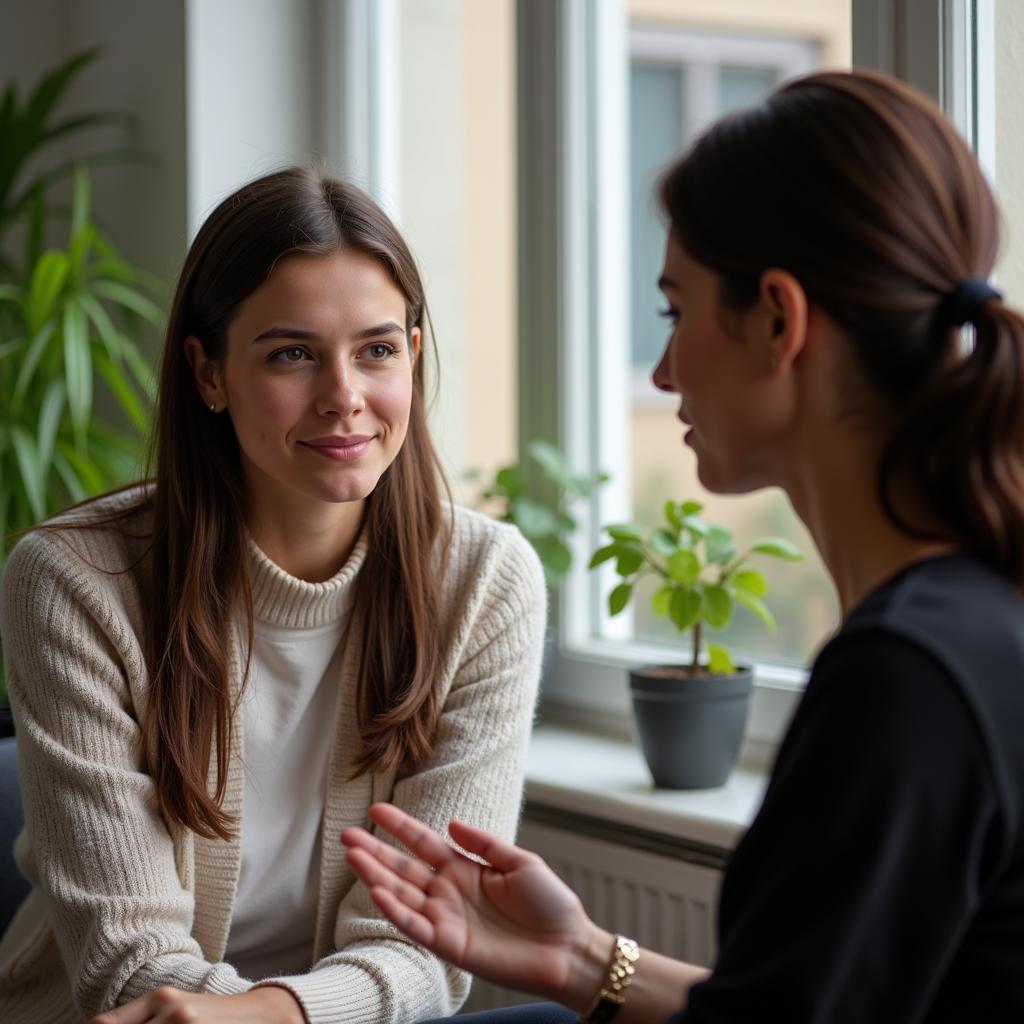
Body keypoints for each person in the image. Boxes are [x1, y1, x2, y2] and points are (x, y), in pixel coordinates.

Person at [341, 69, 1024, 1023]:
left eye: (677, 311)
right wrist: (582, 959)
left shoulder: (906, 677)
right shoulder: (972, 621)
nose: (663, 370)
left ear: (780, 321)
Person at [0, 168, 547, 1024]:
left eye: (377, 349)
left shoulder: (483, 581)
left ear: (412, 349)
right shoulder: (75, 581)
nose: (344, 399)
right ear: (208, 373)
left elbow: (430, 949)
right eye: (292, 353)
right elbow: (131, 968)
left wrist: (274, 1015)